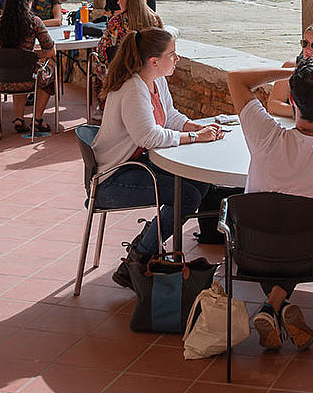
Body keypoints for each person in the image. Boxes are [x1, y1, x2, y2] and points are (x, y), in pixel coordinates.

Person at [227, 59, 313, 351]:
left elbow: (235, 78)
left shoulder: (264, 136)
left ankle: (273, 306)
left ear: (291, 98)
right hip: (310, 257)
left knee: (278, 235)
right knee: (296, 236)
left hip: (251, 252)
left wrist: (291, 73)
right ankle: (274, 305)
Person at [91, 28, 222, 288]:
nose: (177, 59)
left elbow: (170, 116)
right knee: (187, 196)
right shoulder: (133, 89)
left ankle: (142, 251)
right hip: (113, 179)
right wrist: (195, 139)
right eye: (172, 55)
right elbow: (148, 137)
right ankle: (138, 258)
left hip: (137, 165)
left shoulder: (155, 80)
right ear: (154, 61)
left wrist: (193, 127)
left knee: (200, 182)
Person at [0, 0, 57, 133]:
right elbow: (50, 49)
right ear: (28, 3)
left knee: (18, 67)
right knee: (49, 73)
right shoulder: (34, 22)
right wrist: (33, 55)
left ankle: (19, 118)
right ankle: (37, 118)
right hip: (25, 78)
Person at [93, 0, 163, 106]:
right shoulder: (155, 19)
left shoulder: (117, 22)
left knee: (99, 69)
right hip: (150, 72)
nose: (118, 3)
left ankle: (104, 107)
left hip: (123, 73)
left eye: (120, 0)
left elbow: (103, 49)